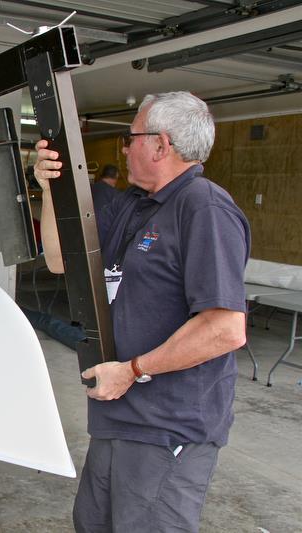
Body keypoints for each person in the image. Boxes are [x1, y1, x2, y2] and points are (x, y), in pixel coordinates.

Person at [35, 91, 250, 532]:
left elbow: (225, 329)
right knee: (93, 523)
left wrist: (132, 369)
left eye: (130, 138)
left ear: (160, 144)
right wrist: (49, 190)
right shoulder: (135, 205)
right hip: (119, 415)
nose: (125, 147)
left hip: (167, 424)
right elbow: (60, 260)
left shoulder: (203, 208)